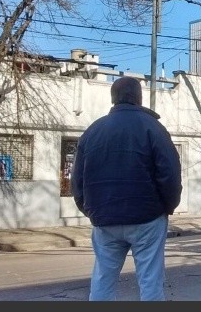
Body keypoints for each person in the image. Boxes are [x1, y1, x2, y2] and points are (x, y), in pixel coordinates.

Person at [71, 76, 182, 301]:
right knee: (150, 281)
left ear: (113, 98)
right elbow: (170, 173)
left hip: (105, 219)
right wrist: (167, 207)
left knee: (103, 279)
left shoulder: (93, 131)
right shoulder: (154, 128)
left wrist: (91, 210)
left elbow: (77, 181)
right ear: (139, 98)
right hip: (147, 218)